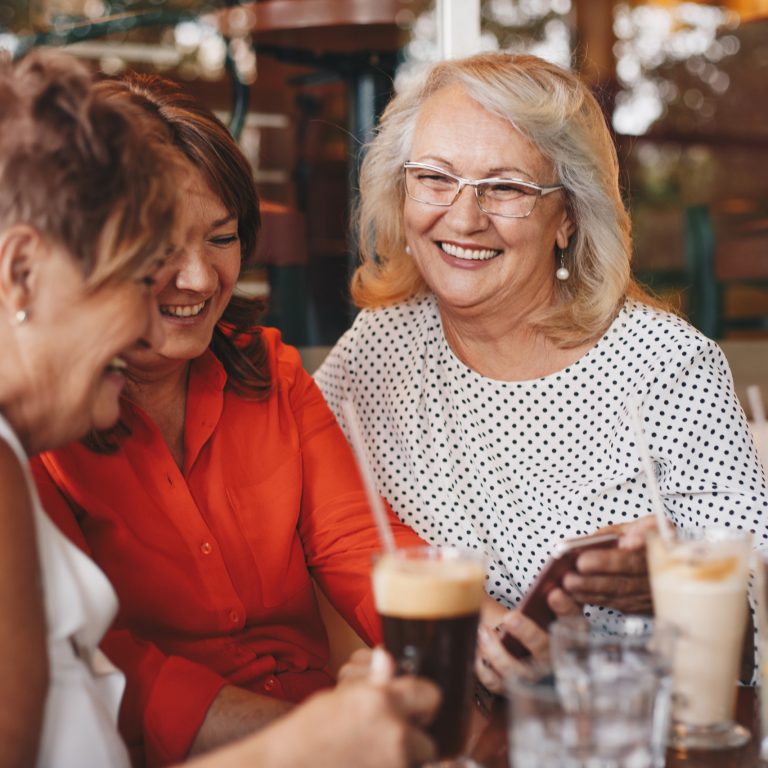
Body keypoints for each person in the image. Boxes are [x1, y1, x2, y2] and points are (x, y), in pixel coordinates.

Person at [1, 50, 438, 768]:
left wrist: (457, 628)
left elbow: (358, 543)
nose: (196, 279)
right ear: (22, 272)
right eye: (144, 259)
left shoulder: (264, 370)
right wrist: (300, 744)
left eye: (222, 237)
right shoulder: (33, 438)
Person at [314, 52, 768, 693]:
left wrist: (671, 582)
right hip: (449, 735)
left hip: (627, 730)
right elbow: (300, 509)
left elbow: (760, 595)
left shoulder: (668, 366)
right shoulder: (379, 345)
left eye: (506, 188)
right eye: (435, 178)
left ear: (569, 217)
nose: (464, 218)